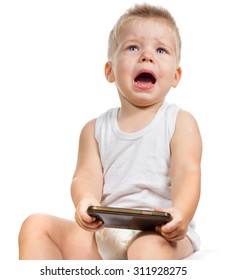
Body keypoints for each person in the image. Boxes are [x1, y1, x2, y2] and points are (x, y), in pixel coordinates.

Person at [19, 3, 202, 260]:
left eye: (161, 49)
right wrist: (85, 201)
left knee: (146, 249)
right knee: (36, 226)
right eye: (133, 47)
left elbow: (187, 172)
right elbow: (85, 177)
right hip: (105, 232)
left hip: (162, 233)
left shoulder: (180, 122)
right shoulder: (94, 130)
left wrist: (182, 212)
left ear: (176, 76)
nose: (147, 56)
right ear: (110, 71)